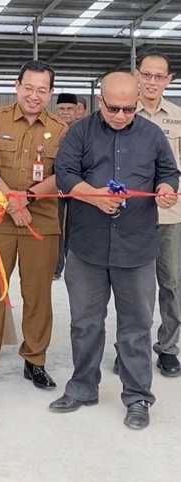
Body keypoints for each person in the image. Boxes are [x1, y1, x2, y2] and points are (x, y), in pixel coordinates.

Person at [50, 71, 179, 430]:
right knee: (85, 324)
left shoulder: (153, 135)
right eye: (113, 108)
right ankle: (82, 388)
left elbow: (169, 172)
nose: (121, 115)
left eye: (128, 108)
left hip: (136, 248)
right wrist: (92, 195)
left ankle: (137, 397)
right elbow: (64, 174)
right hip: (87, 246)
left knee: (136, 326)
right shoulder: (79, 132)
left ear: (137, 102)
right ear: (99, 100)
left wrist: (167, 186)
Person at [0, 61, 67, 391]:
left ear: (50, 93)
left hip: (39, 223)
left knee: (38, 294)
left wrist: (26, 199)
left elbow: (64, 174)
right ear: (17, 85)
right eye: (29, 87)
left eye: (42, 90)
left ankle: (35, 361)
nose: (34, 95)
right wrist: (11, 204)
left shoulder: (60, 129)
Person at [133, 52, 181, 378]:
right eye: (146, 75)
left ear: (169, 80)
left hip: (170, 216)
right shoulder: (122, 112)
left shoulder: (178, 117)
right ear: (136, 75)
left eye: (158, 76)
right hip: (131, 216)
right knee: (134, 287)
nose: (151, 82)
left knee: (172, 284)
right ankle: (132, 349)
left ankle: (168, 348)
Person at [54, 93, 79, 280]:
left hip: (80, 187)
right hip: (56, 187)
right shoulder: (52, 129)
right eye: (61, 109)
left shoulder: (83, 130)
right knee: (57, 225)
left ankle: (74, 263)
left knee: (75, 226)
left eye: (69, 109)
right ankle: (56, 267)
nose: (65, 113)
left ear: (77, 111)